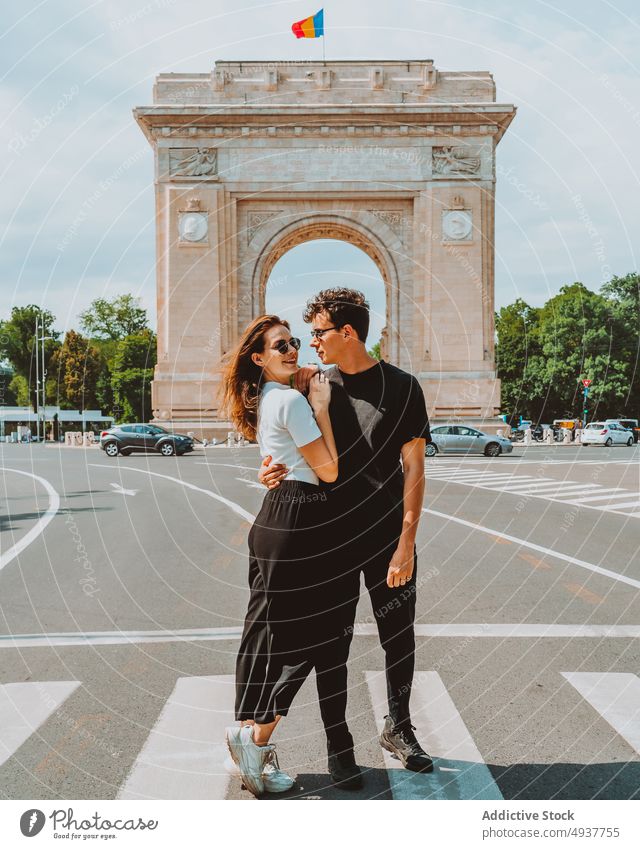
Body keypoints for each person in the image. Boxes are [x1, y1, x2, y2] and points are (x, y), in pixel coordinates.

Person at [259, 288, 434, 775]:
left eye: (318, 333)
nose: (309, 342)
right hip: (326, 536)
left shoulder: (403, 386)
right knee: (330, 644)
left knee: (398, 635)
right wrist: (268, 471)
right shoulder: (312, 385)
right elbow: (286, 447)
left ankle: (399, 726)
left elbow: (414, 469)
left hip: (385, 537)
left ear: (348, 332)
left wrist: (406, 543)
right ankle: (340, 744)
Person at [221, 314, 348, 797]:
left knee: (267, 631)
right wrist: (319, 407)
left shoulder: (268, 400)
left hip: (275, 516)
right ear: (259, 358)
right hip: (300, 519)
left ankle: (249, 728)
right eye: (280, 346)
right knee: (311, 637)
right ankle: (255, 738)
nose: (292, 350)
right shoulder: (293, 401)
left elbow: (282, 462)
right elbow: (330, 471)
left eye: (293, 342)